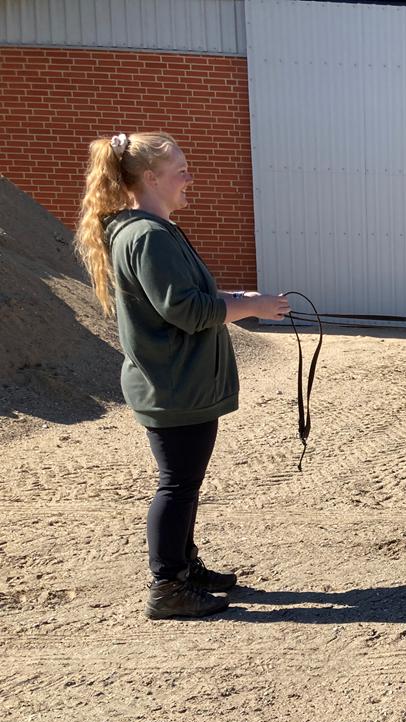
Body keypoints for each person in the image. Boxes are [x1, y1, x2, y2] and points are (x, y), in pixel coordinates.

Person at [75, 131, 291, 619]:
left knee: (184, 482)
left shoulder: (148, 230)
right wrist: (252, 306)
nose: (189, 179)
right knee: (177, 484)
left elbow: (179, 297)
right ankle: (167, 585)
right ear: (151, 178)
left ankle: (184, 568)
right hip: (173, 386)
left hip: (175, 384)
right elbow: (184, 311)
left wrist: (235, 299)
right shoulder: (148, 235)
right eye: (181, 171)